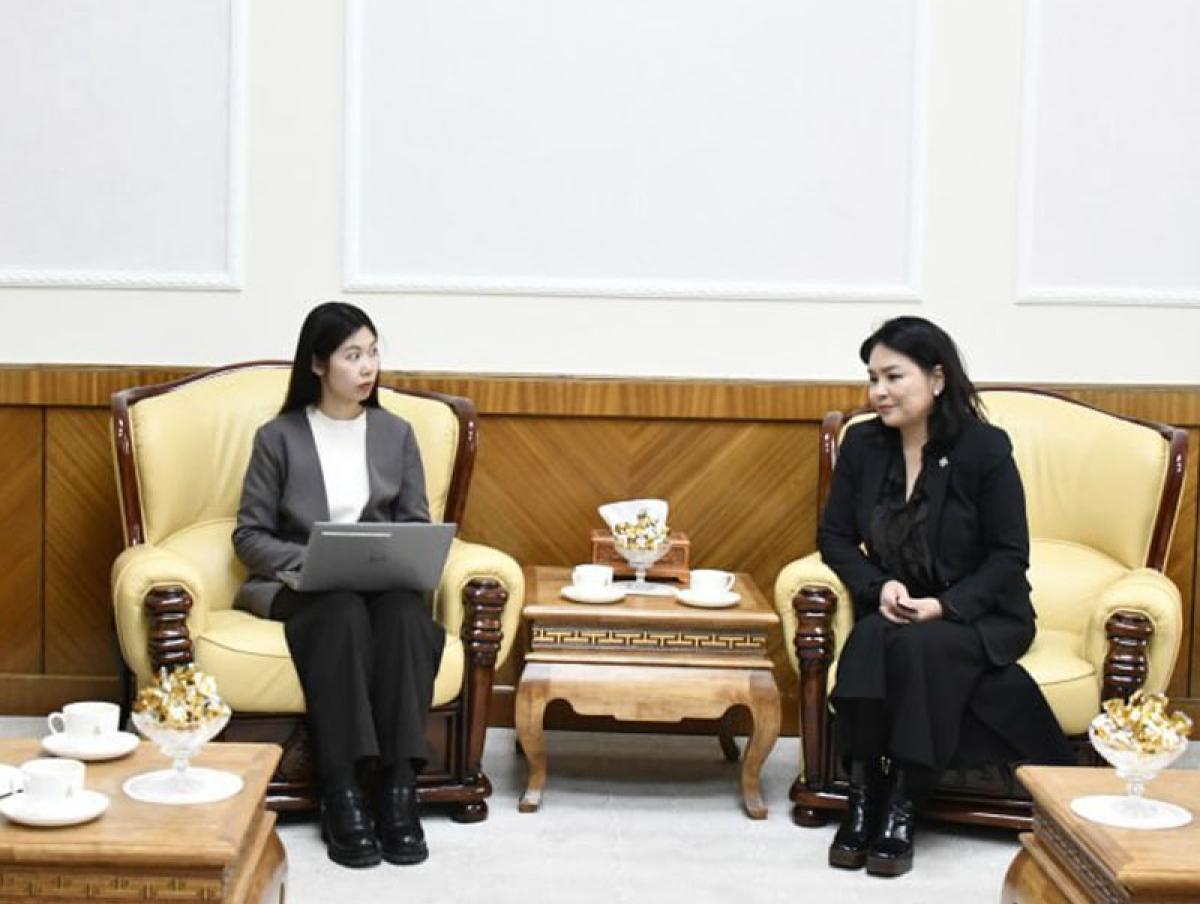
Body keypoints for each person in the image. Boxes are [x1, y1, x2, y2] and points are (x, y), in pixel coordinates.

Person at [818, 316, 1072, 878]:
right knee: (868, 641)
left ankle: (904, 803)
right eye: (872, 379)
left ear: (936, 379)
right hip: (896, 604)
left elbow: (1009, 554)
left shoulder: (984, 448)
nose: (878, 392)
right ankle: (863, 796)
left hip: (978, 611)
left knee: (917, 648)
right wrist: (877, 585)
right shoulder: (862, 444)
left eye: (893, 377)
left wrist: (944, 607)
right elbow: (833, 536)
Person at [232, 302, 444, 869]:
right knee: (343, 611)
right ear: (318, 364)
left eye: (372, 352)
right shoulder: (278, 437)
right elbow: (249, 536)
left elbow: (415, 525)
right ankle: (342, 788)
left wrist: (399, 555)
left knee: (406, 617)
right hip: (307, 588)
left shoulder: (396, 434)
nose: (367, 366)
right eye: (352, 355)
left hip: (383, 584)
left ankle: (398, 788)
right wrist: (315, 559)